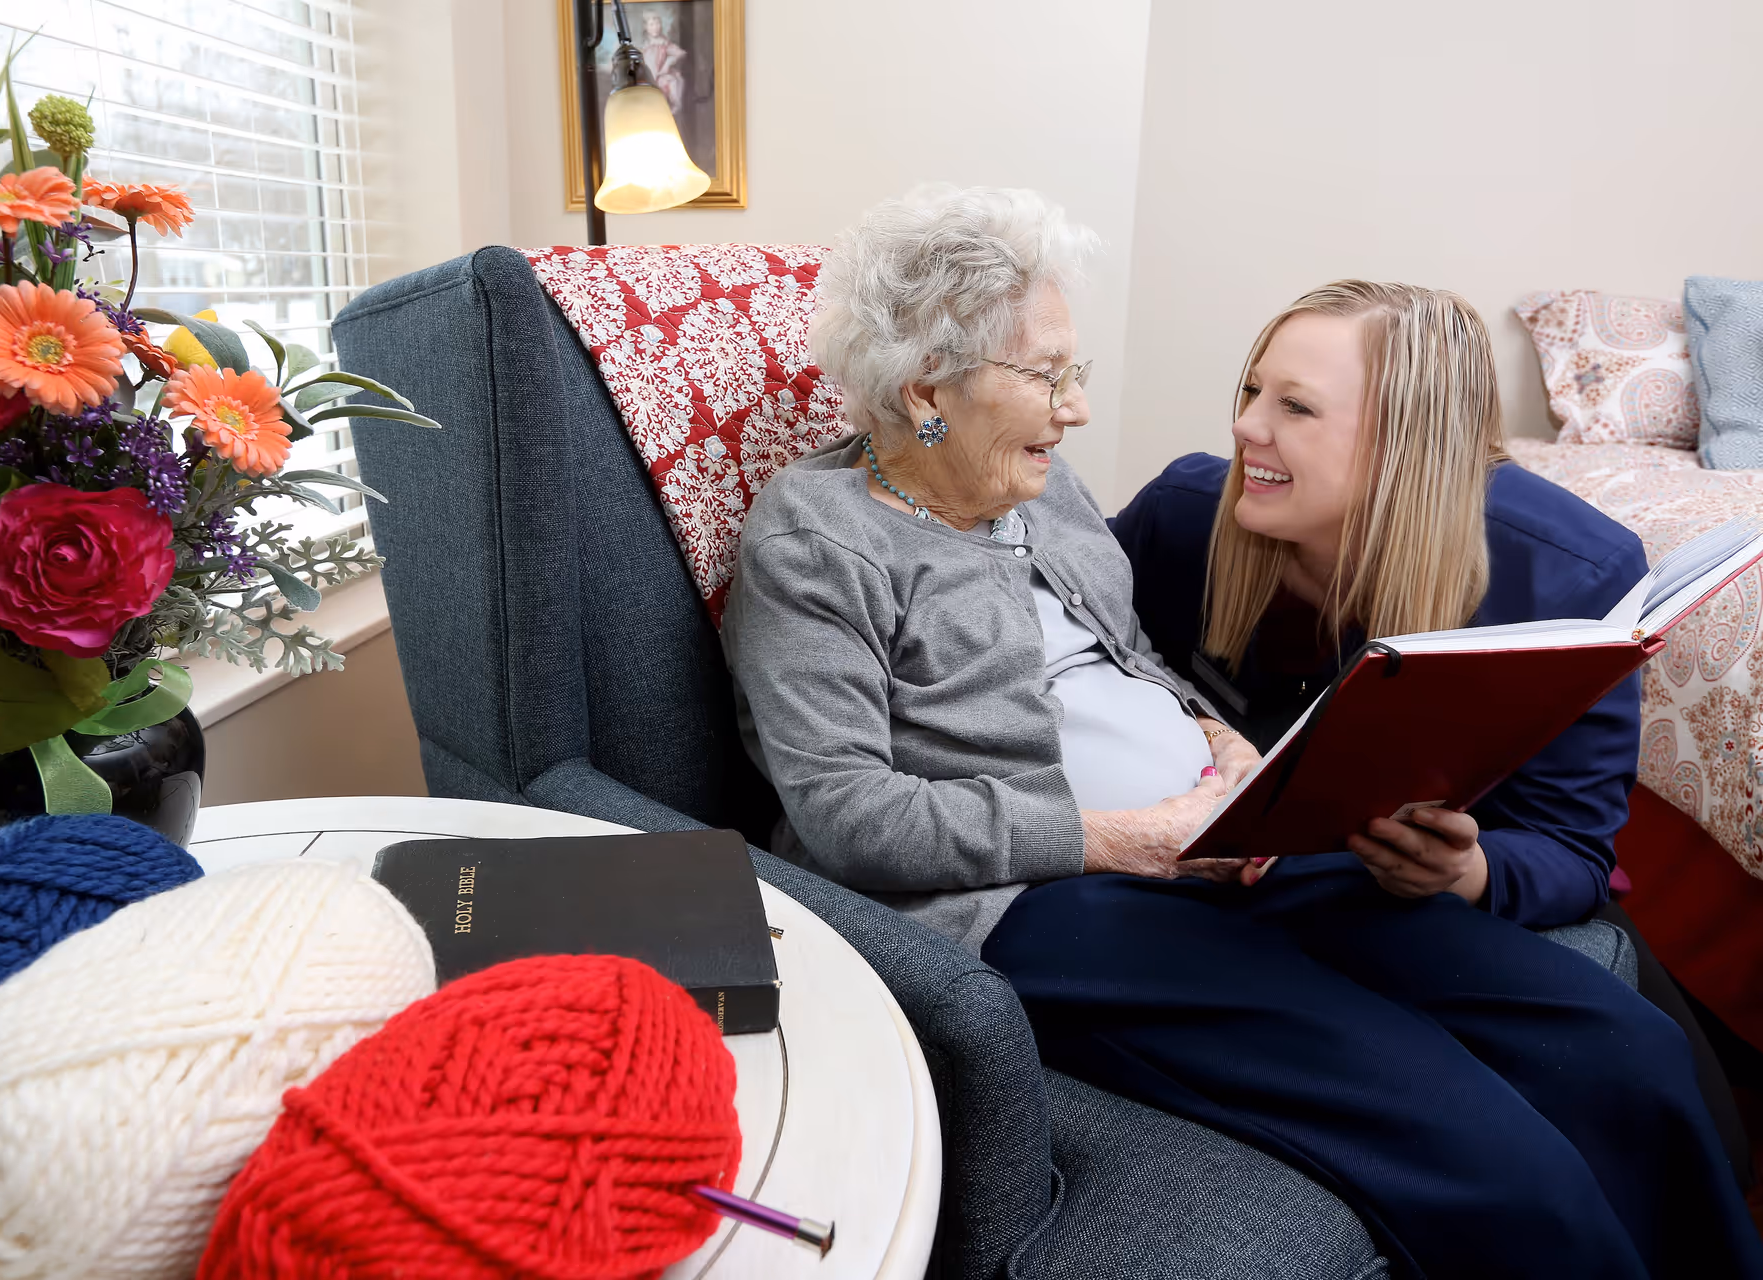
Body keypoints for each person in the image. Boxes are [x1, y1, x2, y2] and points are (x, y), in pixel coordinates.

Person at [720, 186, 1762, 1278]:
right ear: (927, 385)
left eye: (1074, 372)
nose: (1077, 409)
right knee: (1479, 1143)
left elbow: (1125, 662)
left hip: (1225, 842)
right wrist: (1134, 835)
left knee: (1625, 1049)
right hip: (1046, 902)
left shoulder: (1040, 486)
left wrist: (1218, 744)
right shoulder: (819, 536)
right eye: (1047, 376)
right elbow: (844, 810)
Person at [984, 279, 1763, 1277]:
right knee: (1476, 1130)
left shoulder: (1566, 573)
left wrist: (1466, 870)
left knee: (1637, 1057)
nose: (1246, 426)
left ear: (1407, 441)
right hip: (1183, 880)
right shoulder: (1186, 514)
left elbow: (1573, 849)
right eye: (1251, 389)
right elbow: (1069, 657)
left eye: (1295, 407)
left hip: (1376, 887)